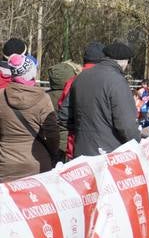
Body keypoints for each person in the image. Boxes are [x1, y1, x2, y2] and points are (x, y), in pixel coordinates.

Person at [65, 41, 138, 157]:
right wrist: (137, 143)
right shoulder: (117, 81)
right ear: (126, 61)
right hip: (109, 152)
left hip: (81, 150)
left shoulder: (80, 78)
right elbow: (126, 124)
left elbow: (65, 115)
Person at [0, 53, 61, 181]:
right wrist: (54, 152)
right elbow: (52, 133)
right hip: (37, 162)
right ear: (32, 73)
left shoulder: (1, 96)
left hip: (6, 162)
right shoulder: (43, 98)